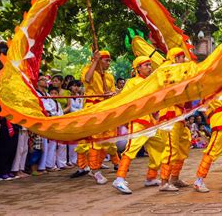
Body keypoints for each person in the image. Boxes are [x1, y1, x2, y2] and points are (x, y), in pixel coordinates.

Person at [112, 56, 166, 194]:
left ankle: (151, 177)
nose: (149, 67)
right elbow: (125, 99)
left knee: (159, 147)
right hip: (137, 121)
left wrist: (155, 113)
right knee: (131, 149)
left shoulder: (151, 82)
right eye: (146, 65)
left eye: (149, 65)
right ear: (138, 68)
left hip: (150, 122)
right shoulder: (132, 82)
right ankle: (119, 178)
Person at [157, 47, 197, 192]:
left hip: (179, 114)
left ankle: (175, 177)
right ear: (174, 58)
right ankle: (163, 182)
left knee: (184, 144)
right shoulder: (165, 71)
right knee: (171, 148)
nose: (183, 60)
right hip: (169, 114)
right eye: (181, 57)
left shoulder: (179, 71)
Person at [76, 50, 118, 184]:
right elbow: (87, 79)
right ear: (99, 60)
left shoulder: (109, 76)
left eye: (109, 60)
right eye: (106, 60)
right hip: (93, 109)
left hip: (106, 110)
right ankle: (93, 170)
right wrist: (95, 61)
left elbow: (113, 92)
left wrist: (111, 94)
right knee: (94, 139)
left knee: (107, 140)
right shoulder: (89, 70)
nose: (108, 63)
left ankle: (96, 166)